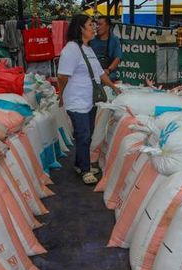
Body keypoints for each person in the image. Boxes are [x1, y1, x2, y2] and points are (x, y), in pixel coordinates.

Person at [58, 14, 121, 185]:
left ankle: (80, 164)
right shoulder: (71, 49)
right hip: (76, 100)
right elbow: (63, 76)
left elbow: (100, 73)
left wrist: (114, 87)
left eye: (94, 25)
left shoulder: (88, 48)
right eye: (90, 25)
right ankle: (85, 170)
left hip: (90, 99)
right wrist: (60, 94)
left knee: (87, 134)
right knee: (84, 134)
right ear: (80, 29)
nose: (94, 28)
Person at [90, 16, 123, 82]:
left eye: (100, 24)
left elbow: (118, 58)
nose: (97, 27)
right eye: (97, 24)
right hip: (93, 73)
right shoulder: (91, 40)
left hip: (108, 74)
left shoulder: (114, 40)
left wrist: (108, 70)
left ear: (108, 27)